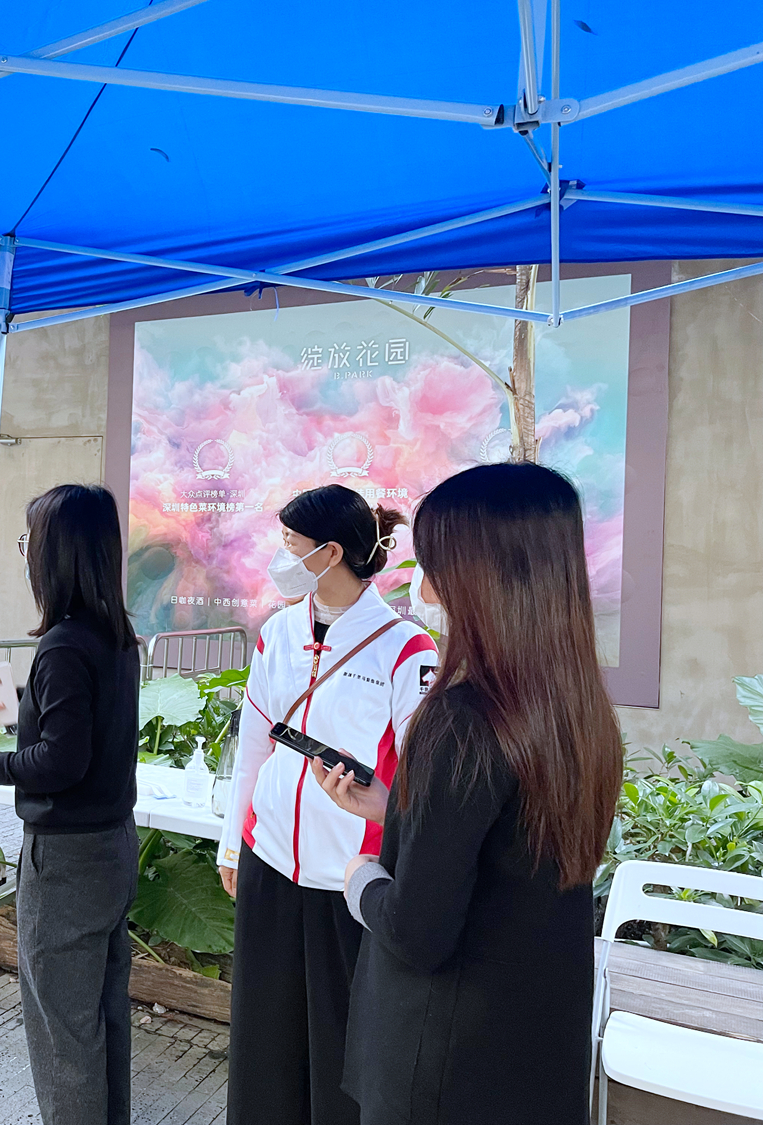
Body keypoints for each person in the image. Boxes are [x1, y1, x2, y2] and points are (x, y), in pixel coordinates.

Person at [315, 462, 623, 1125]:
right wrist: (399, 808)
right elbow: (509, 850)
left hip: (442, 1063)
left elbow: (418, 931)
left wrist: (360, 878)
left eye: (435, 567)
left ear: (485, 579)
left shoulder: (462, 718)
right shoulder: (579, 713)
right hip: (533, 1045)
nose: (423, 587)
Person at [219, 484, 436, 1125]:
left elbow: (421, 779)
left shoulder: (406, 649)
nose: (280, 555)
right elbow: (253, 746)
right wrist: (233, 844)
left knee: (339, 1043)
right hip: (267, 859)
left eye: (291, 543)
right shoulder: (278, 632)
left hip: (348, 878)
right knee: (262, 1033)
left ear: (331, 552)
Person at [0, 484, 141, 1125]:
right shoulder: (116, 636)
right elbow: (78, 731)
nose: (24, 551)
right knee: (103, 1018)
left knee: (64, 1036)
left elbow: (62, 760)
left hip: (66, 864)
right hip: (113, 848)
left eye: (30, 539)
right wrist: (15, 712)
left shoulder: (62, 645)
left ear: (55, 553)